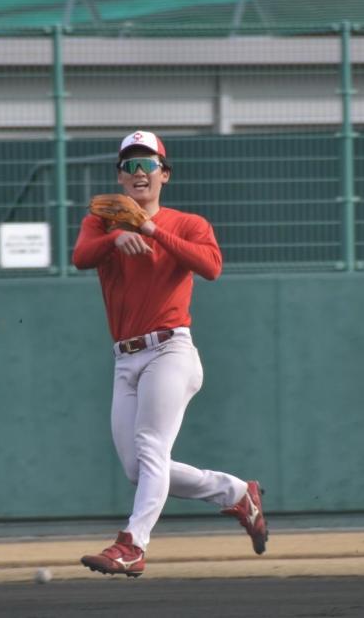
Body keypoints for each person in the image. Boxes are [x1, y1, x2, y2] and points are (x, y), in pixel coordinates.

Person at [72, 130, 268, 578]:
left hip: (171, 351)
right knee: (138, 469)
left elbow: (212, 267)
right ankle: (236, 493)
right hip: (126, 359)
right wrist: (114, 240)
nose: (139, 172)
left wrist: (148, 229)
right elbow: (82, 256)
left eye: (148, 163)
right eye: (129, 165)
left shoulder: (189, 223)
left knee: (150, 446)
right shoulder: (102, 223)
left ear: (165, 173)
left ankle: (133, 545)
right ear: (120, 177)